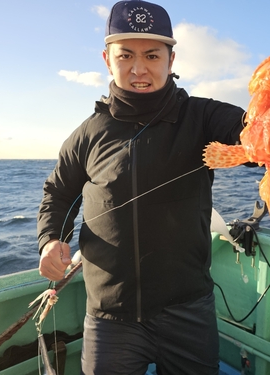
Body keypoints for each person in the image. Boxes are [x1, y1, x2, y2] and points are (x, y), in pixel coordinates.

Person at [37, 1, 247, 374]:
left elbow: (255, 135)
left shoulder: (203, 116)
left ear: (171, 57)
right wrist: (51, 238)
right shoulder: (88, 133)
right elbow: (58, 192)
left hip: (189, 310)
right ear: (107, 58)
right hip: (109, 316)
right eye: (125, 56)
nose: (139, 69)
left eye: (152, 55)